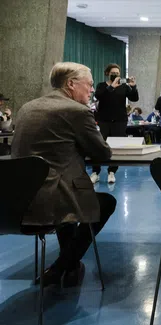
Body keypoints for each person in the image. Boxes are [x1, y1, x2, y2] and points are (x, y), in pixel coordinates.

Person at [12, 62, 115, 288]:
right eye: (89, 85)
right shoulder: (77, 111)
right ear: (71, 84)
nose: (91, 90)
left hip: (18, 203)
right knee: (106, 202)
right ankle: (61, 267)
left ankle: (69, 268)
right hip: (52, 203)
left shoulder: (27, 108)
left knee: (67, 196)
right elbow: (102, 153)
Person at [91, 63, 139, 184]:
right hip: (104, 120)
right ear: (108, 73)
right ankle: (95, 172)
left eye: (117, 73)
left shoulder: (123, 86)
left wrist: (133, 87)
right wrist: (111, 87)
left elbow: (134, 98)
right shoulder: (102, 86)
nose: (115, 75)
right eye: (113, 73)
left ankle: (112, 171)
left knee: (116, 146)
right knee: (99, 145)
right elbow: (98, 96)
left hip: (119, 120)